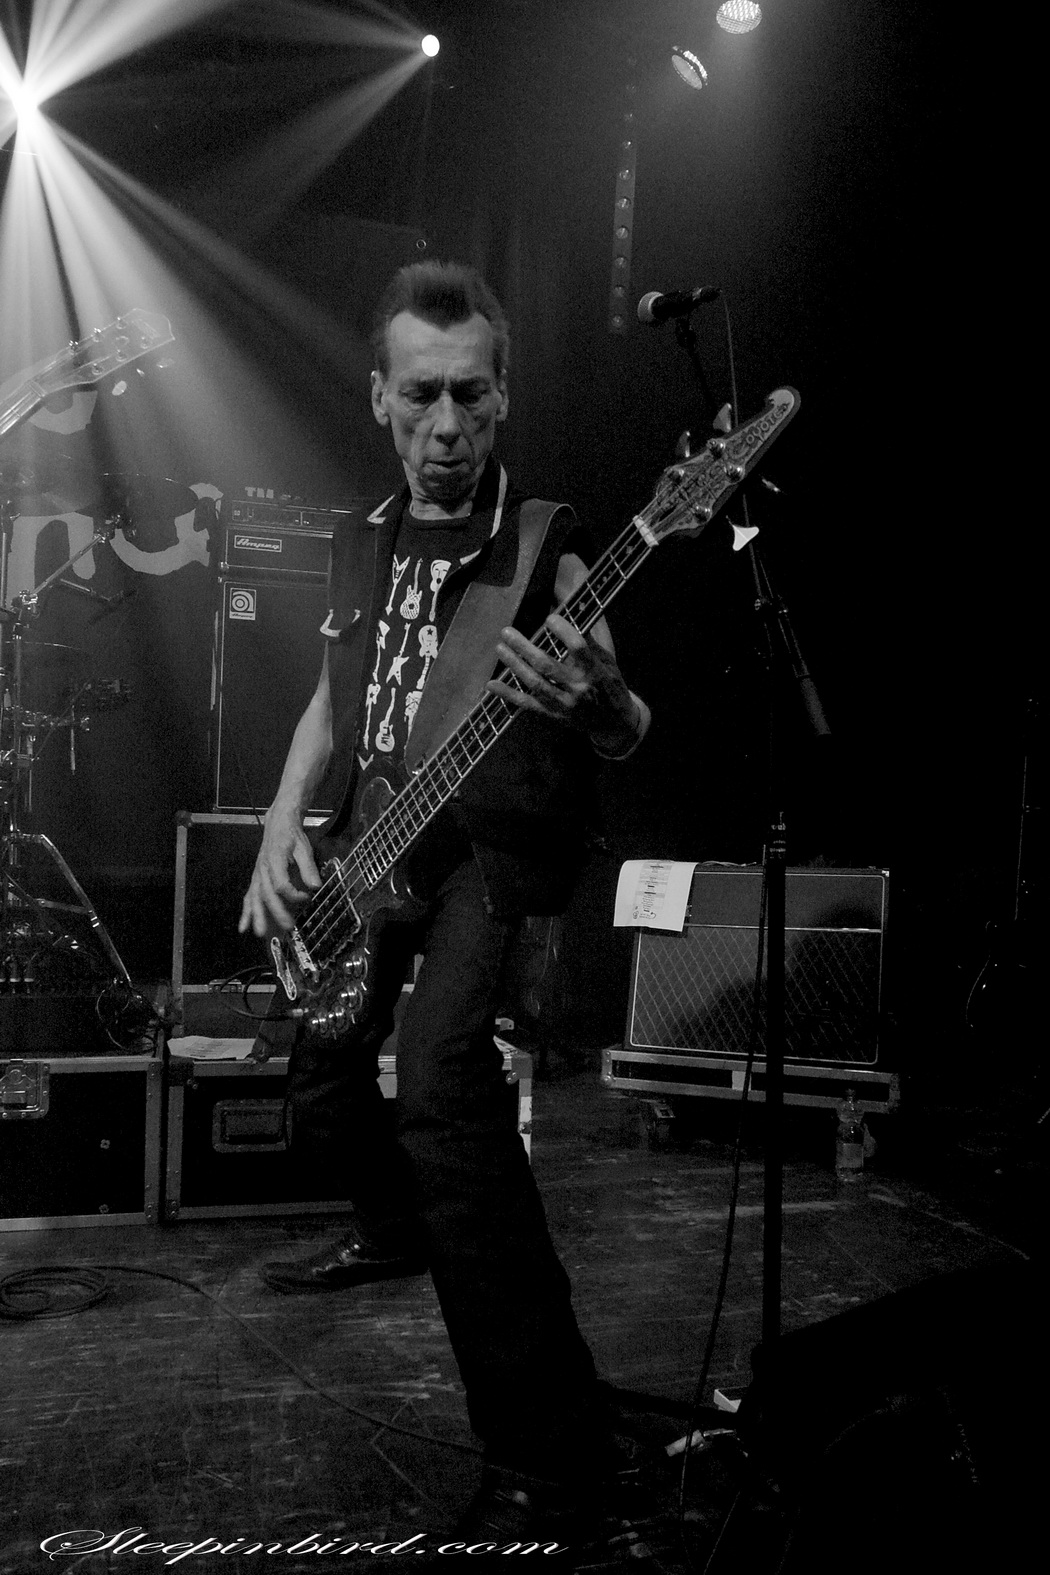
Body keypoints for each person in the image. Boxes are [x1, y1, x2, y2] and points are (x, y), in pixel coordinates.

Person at [239, 260, 649, 1540]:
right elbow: (333, 700)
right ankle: (394, 1226)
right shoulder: (361, 539)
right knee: (318, 1079)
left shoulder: (547, 543)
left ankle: (546, 1450)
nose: (447, 426)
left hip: (491, 851)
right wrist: (278, 819)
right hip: (374, 843)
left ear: (503, 396)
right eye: (421, 396)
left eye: (472, 394)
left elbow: (619, 712)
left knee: (443, 1087)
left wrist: (609, 712)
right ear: (381, 397)